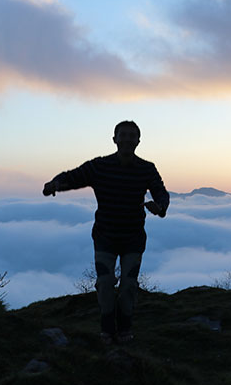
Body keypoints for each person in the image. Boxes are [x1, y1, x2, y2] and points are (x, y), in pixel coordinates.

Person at [43, 120, 169, 345]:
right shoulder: (100, 166)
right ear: (114, 139)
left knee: (129, 284)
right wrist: (56, 184)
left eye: (132, 136)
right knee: (104, 283)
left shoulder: (147, 168)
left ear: (138, 141)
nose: (128, 139)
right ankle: (107, 329)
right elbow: (75, 176)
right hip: (105, 236)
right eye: (123, 135)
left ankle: (125, 328)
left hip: (133, 237)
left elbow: (161, 192)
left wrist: (159, 207)